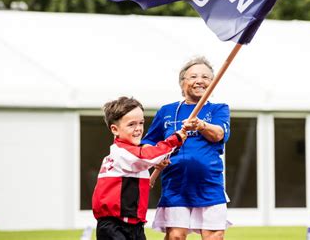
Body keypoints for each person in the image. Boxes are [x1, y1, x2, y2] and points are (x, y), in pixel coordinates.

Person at [142, 56, 231, 240]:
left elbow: (219, 134)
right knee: (175, 237)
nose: (200, 80)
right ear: (182, 83)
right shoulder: (166, 111)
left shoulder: (218, 109)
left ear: (212, 83)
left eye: (206, 77)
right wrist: (158, 158)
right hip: (176, 185)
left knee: (215, 236)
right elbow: (148, 144)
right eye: (193, 76)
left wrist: (201, 125)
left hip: (209, 184)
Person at [92, 96, 187, 240]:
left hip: (135, 225)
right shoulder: (122, 152)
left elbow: (142, 184)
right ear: (115, 129)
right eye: (131, 125)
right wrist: (175, 139)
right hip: (114, 226)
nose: (138, 129)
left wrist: (158, 168)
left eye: (141, 123)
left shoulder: (134, 155)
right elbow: (148, 156)